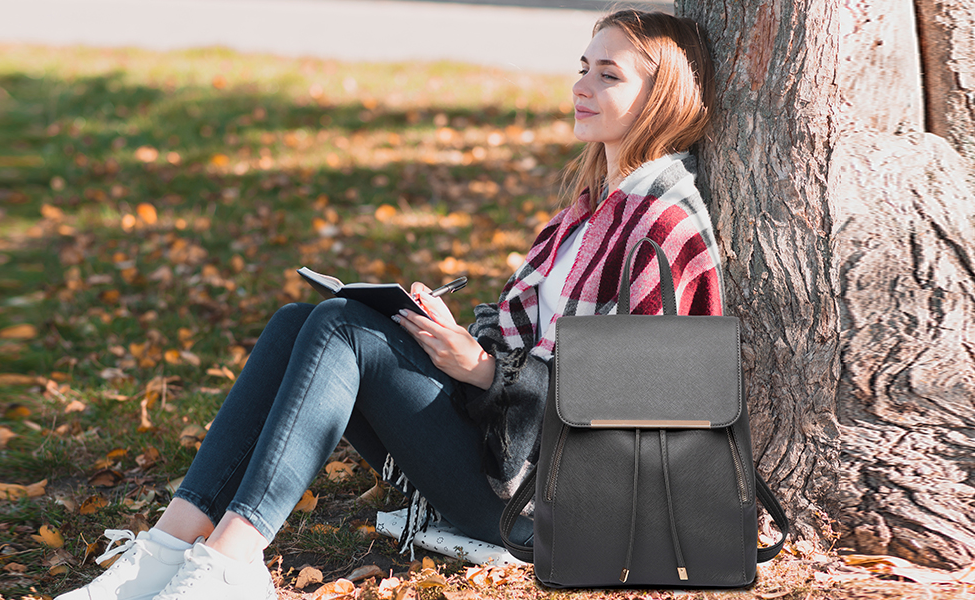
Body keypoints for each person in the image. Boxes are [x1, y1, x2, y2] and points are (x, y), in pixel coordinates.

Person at [55, 9, 721, 600]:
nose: (581, 85)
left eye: (609, 75)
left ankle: (229, 563)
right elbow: (533, 340)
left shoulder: (664, 223)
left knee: (345, 329)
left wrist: (486, 372)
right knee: (301, 322)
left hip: (562, 508)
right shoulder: (589, 209)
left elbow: (639, 412)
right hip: (506, 454)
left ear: (662, 99)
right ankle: (169, 549)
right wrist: (458, 338)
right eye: (583, 67)